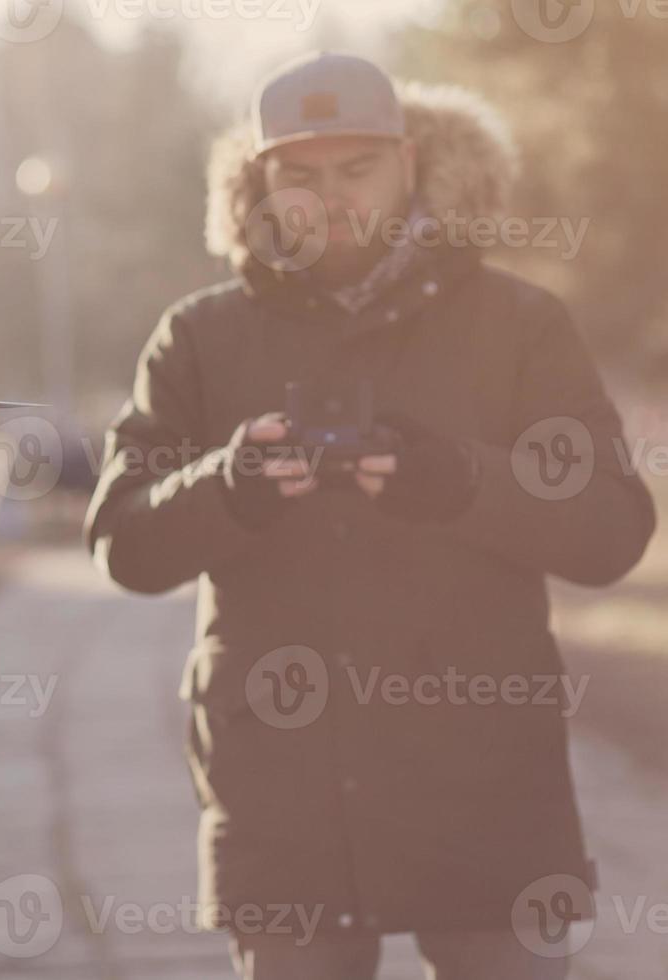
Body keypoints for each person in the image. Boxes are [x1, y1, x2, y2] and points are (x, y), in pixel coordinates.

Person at [84, 51, 656, 979]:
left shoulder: (519, 325)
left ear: (411, 162)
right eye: (298, 174)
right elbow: (123, 545)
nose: (329, 196)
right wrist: (228, 489)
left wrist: (464, 484)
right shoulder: (200, 335)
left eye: (357, 168)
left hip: (484, 786)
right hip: (284, 790)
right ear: (258, 182)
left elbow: (611, 528)